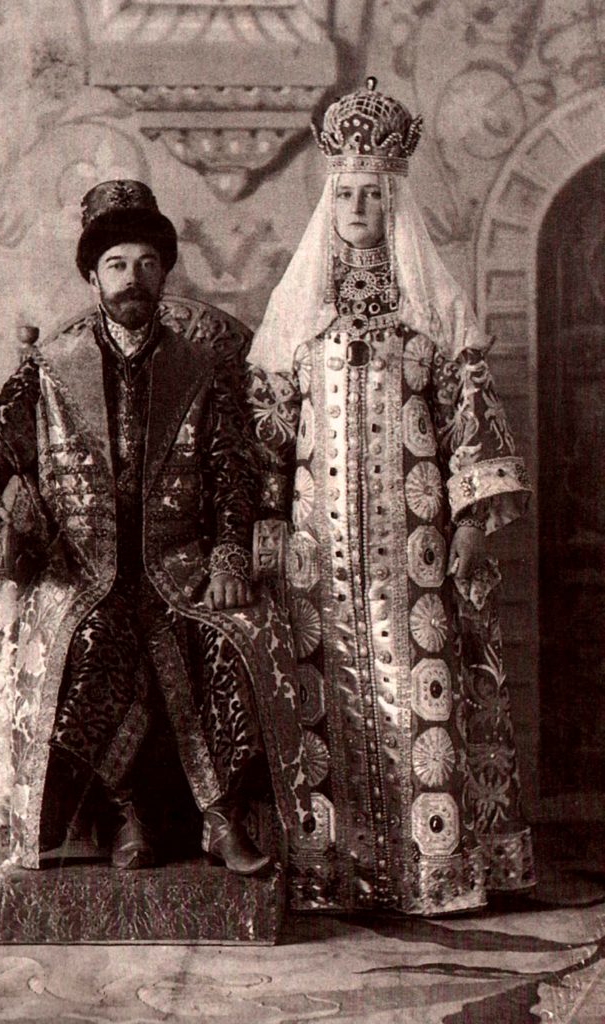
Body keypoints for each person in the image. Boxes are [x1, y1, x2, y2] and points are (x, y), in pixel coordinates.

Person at [0, 179, 311, 875]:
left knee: (218, 643)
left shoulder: (202, 367)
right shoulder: (51, 370)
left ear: (164, 272)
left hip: (181, 563)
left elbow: (234, 467)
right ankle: (123, 814)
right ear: (92, 276)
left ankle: (220, 819)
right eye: (116, 265)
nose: (132, 279)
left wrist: (230, 556)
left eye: (146, 263)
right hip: (81, 566)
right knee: (92, 642)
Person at [247, 79, 535, 914]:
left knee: (422, 686)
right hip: (316, 547)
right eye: (346, 193)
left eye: (374, 193)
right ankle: (329, 873)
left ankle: (431, 872)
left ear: (393, 202)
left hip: (414, 544)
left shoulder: (430, 317)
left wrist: (474, 515)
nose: (360, 205)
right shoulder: (297, 321)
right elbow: (266, 427)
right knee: (319, 694)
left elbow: (470, 419)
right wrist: (262, 521)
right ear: (328, 203)